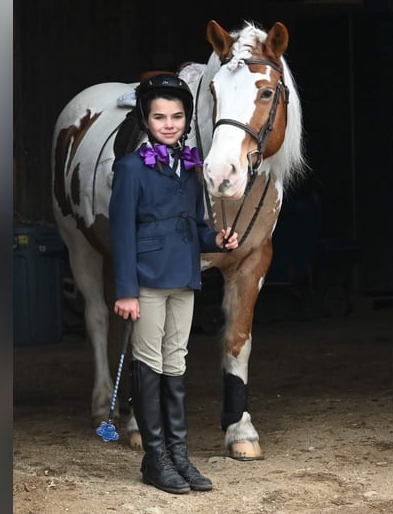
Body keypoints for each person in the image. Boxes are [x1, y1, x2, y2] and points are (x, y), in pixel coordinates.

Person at [109, 74, 239, 494]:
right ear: (145, 120)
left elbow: (196, 225)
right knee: (149, 365)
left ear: (186, 120)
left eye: (177, 116)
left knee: (176, 363)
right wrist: (126, 290)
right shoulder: (130, 168)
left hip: (183, 276)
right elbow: (122, 233)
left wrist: (215, 239)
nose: (169, 124)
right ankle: (155, 457)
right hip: (146, 280)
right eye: (160, 116)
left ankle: (179, 455)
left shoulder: (190, 167)